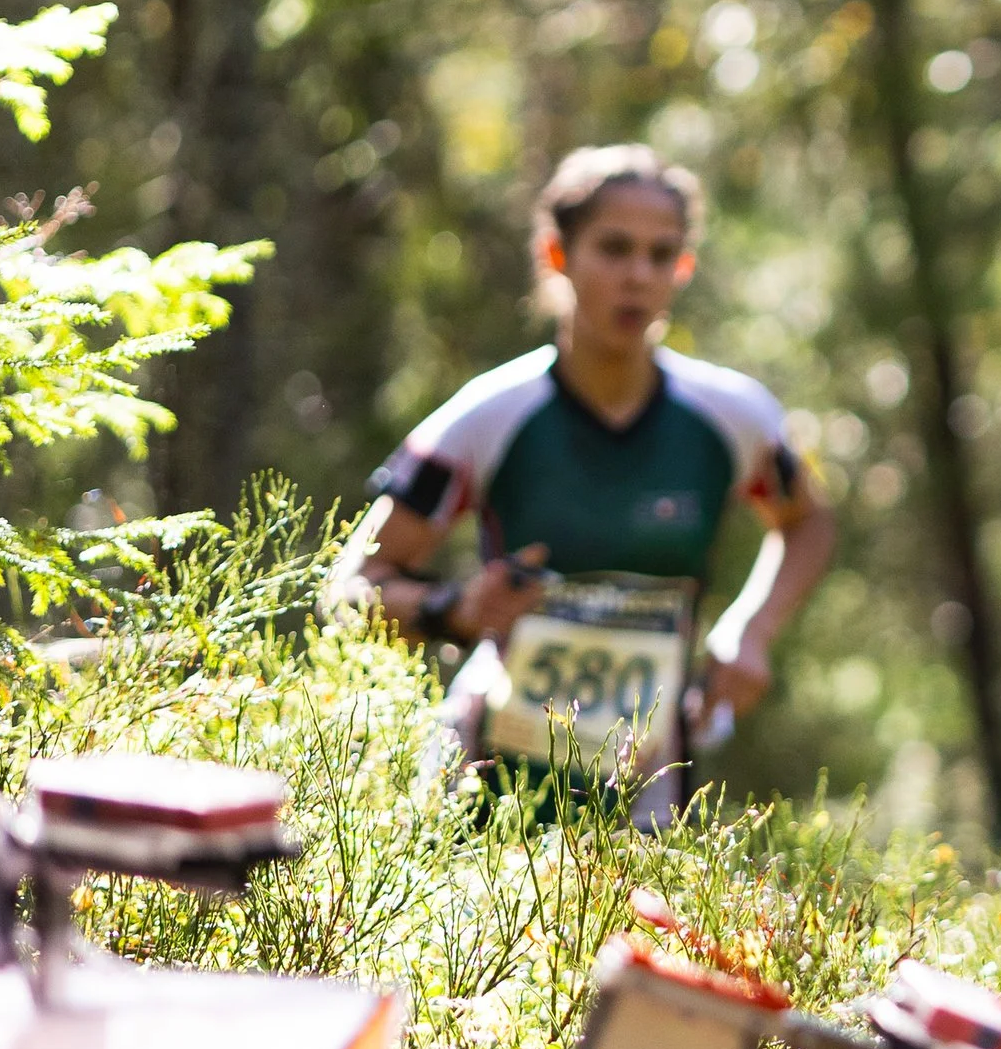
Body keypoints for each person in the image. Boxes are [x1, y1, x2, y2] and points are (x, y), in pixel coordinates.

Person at [333, 145, 836, 824]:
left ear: (683, 268)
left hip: (649, 784)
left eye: (661, 255)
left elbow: (808, 520)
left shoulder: (733, 416)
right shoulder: (488, 416)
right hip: (484, 780)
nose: (638, 275)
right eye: (614, 248)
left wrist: (751, 630)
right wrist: (453, 607)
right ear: (556, 255)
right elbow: (349, 587)